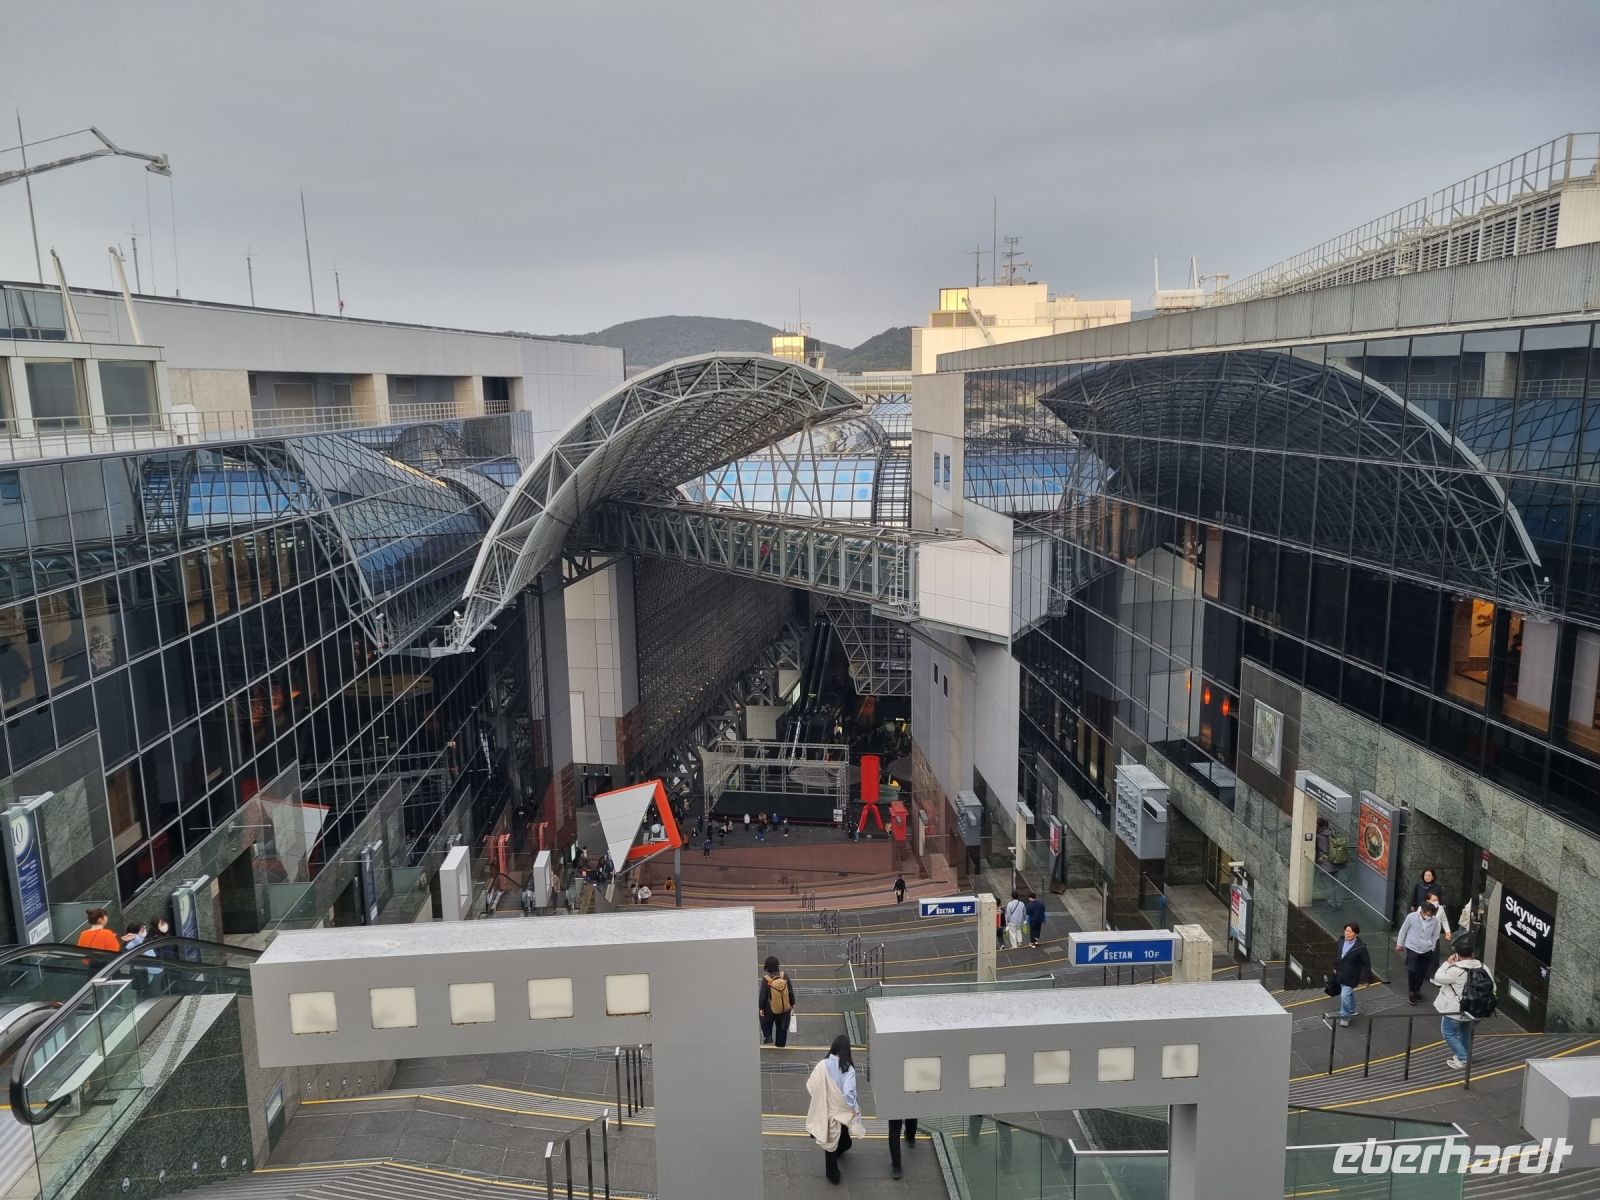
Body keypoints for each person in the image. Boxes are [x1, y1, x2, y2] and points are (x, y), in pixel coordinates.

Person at [805, 1035, 863, 1184]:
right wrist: (853, 1108)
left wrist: (821, 1099)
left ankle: (833, 1173)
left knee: (829, 1139)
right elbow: (848, 1093)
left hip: (825, 1109)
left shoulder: (822, 1065)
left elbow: (810, 1085)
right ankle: (834, 1171)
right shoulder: (848, 1069)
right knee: (840, 1136)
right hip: (840, 1111)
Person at [1433, 933, 1491, 1069]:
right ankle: (1465, 1056)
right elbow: (1492, 987)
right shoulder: (1483, 967)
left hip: (1455, 1010)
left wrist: (1447, 963)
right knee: (1466, 1032)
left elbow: (1438, 977)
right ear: (1472, 953)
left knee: (1448, 1033)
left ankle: (1463, 1058)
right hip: (1475, 1010)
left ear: (1457, 954)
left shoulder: (1455, 970)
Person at [1394, 901, 1442, 1004]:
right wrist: (1399, 944)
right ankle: (1411, 991)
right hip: (1412, 947)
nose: (1430, 916)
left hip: (1427, 949)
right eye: (1428, 914)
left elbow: (1436, 935)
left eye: (1431, 914)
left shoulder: (1435, 920)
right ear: (1422, 911)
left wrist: (1432, 947)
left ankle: (1417, 990)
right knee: (1412, 970)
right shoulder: (1411, 917)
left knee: (1422, 972)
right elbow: (1403, 930)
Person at [1331, 922, 1372, 1026]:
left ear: (1356, 934)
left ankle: (1344, 1017)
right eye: (1346, 931)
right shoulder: (1341, 941)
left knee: (1344, 995)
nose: (1348, 933)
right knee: (1347, 994)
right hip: (1340, 973)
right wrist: (1335, 968)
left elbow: (1366, 964)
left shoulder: (1360, 947)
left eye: (1350, 931)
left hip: (1351, 976)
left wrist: (1366, 979)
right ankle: (1352, 1009)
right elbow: (1337, 955)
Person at [758, 955, 797, 1047]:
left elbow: (763, 996)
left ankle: (768, 1037)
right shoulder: (785, 976)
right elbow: (790, 992)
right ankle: (780, 1043)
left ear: (767, 967)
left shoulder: (766, 980)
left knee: (764, 1019)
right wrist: (792, 1003)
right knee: (782, 1026)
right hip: (784, 1009)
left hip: (770, 1009)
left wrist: (761, 1008)